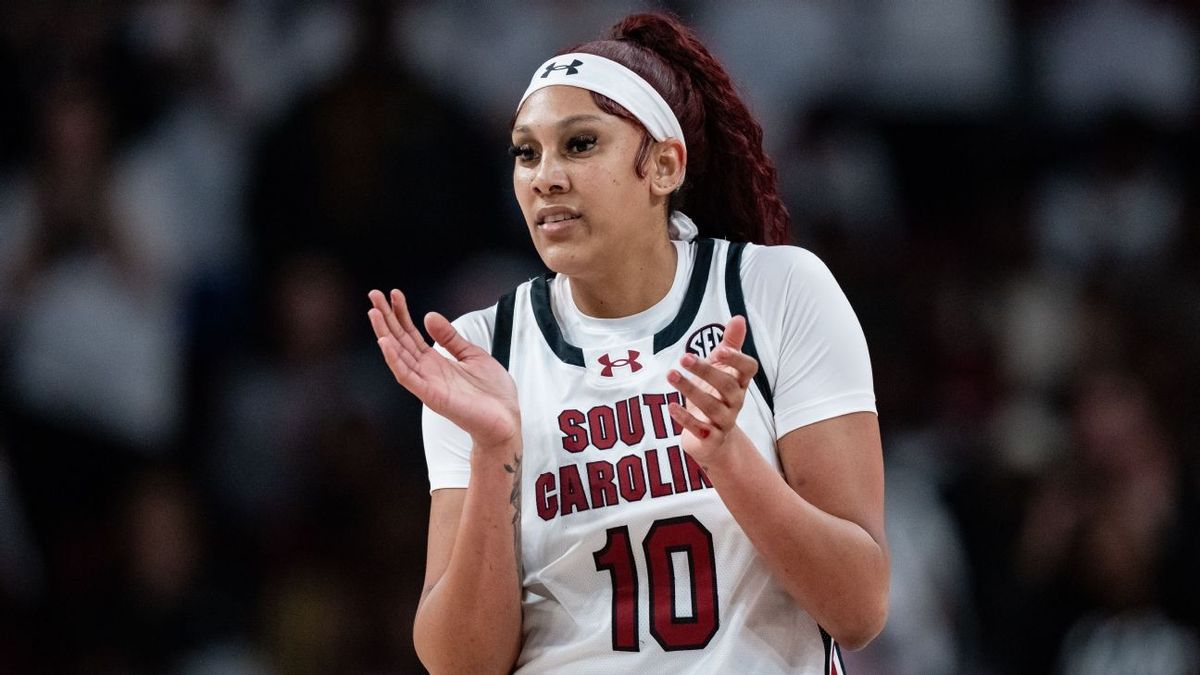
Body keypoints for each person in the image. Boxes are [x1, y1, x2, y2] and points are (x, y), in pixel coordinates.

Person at [367, 12, 888, 674]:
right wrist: (493, 451)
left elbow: (860, 607)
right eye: (527, 153)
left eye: (580, 145)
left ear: (664, 165)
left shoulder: (775, 292)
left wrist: (730, 460)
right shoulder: (481, 351)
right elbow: (462, 665)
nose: (545, 176)